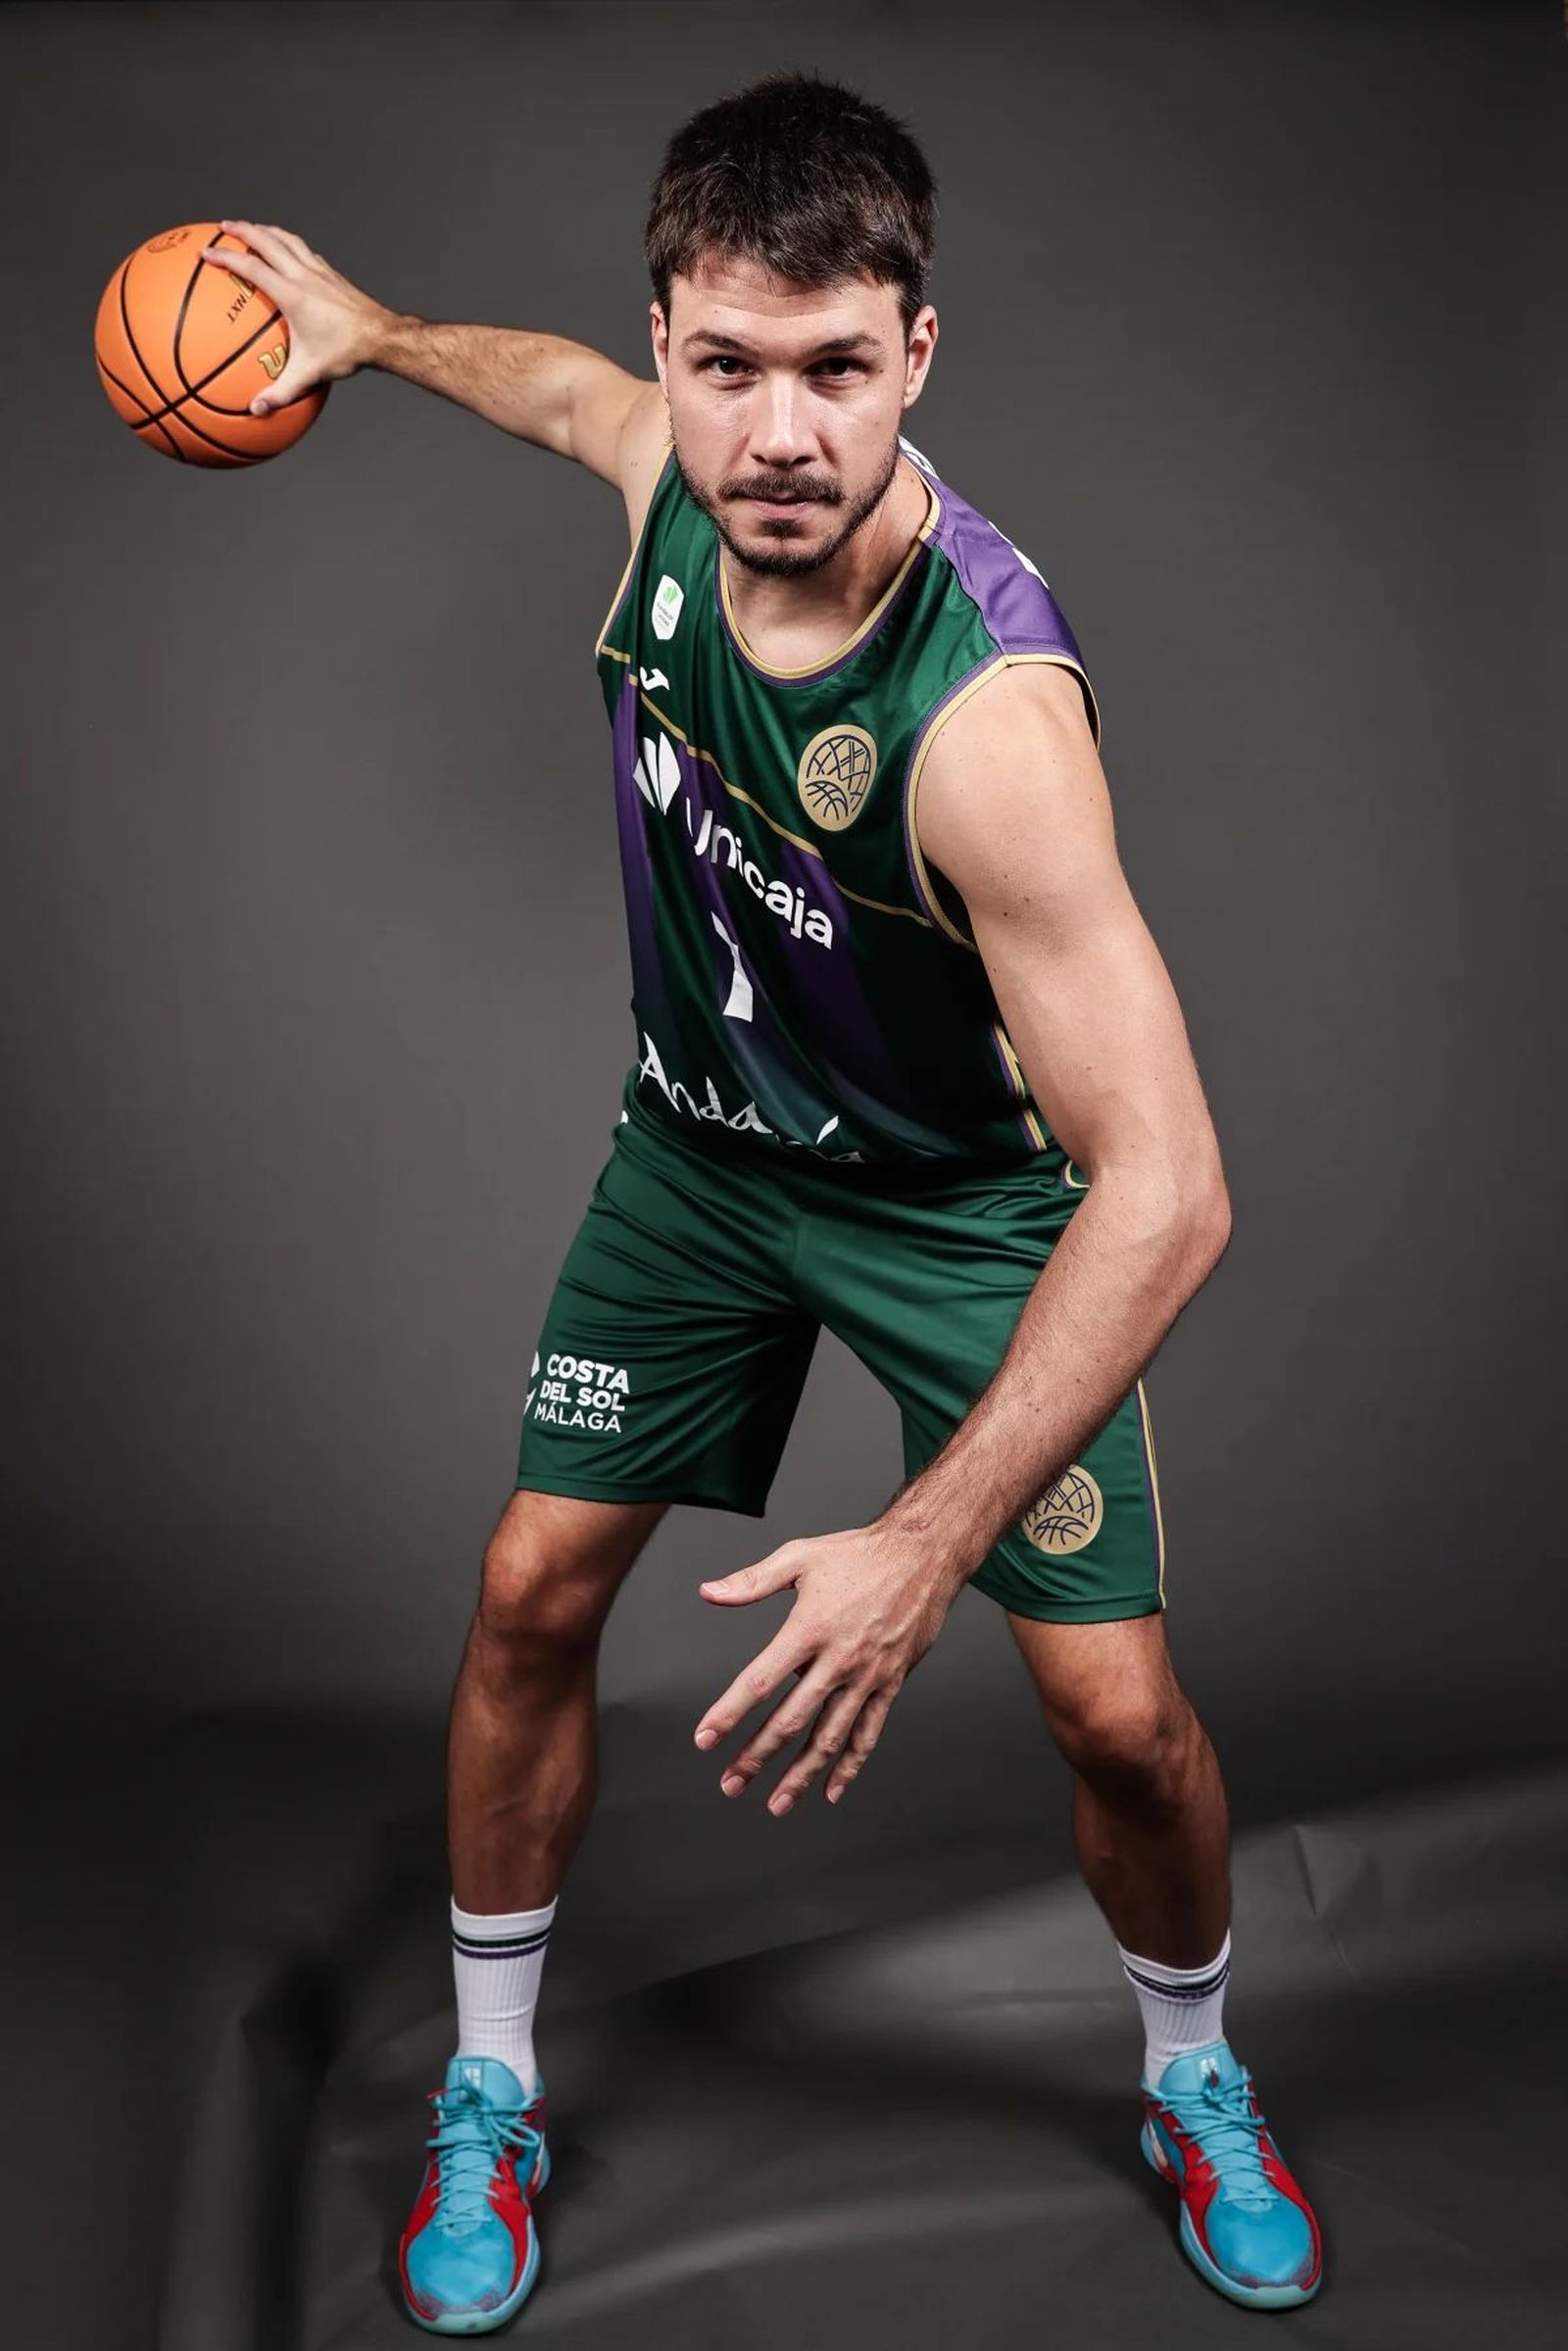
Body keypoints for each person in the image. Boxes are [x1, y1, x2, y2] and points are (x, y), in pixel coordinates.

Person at [204, 70, 1322, 2334]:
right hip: (701, 1166)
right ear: (676, 342)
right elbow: (559, 399)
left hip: (963, 1211)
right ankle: (493, 2089)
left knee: (1116, 1722)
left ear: (916, 351)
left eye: (833, 370)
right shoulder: (661, 486)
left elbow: (1173, 1188)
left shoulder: (984, 719)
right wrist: (374, 330)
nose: (774, 434)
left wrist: (922, 1547)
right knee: (529, 1593)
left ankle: (1193, 2072)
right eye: (725, 368)